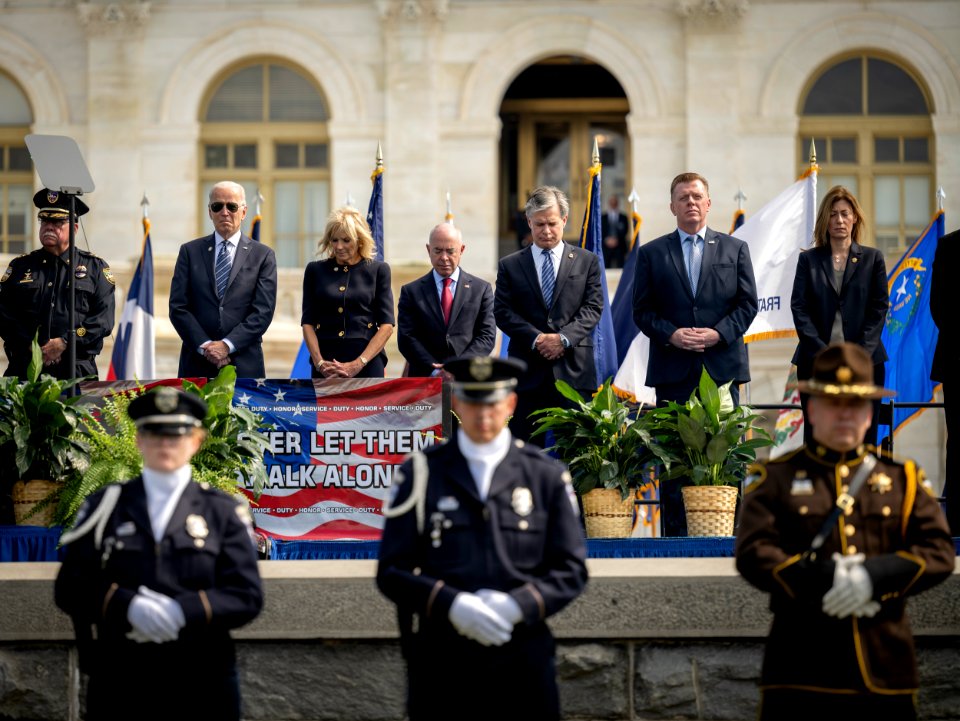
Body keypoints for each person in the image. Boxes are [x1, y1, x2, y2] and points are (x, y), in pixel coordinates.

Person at [735, 342, 954, 720]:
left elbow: (938, 552)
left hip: (883, 668)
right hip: (800, 671)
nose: (845, 415)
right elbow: (754, 551)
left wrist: (872, 577)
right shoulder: (775, 478)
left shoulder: (902, 479)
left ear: (869, 413)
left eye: (855, 404)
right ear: (812, 409)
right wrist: (827, 578)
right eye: (833, 404)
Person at [376, 355, 588, 721]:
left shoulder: (545, 476)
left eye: (492, 402)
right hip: (443, 661)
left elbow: (570, 569)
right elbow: (392, 570)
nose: (483, 413)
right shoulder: (421, 474)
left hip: (521, 658)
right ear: (456, 402)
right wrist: (452, 605)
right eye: (472, 401)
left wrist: (517, 605)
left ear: (511, 403)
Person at [54, 387, 264, 721]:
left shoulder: (222, 511)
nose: (165, 443)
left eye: (176, 435)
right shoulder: (106, 506)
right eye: (154, 433)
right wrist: (128, 606)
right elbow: (70, 587)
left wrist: (185, 611)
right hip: (122, 680)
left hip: (203, 680)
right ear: (138, 440)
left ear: (196, 441)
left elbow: (247, 595)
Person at [632, 172, 758, 405]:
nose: (691, 202)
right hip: (672, 373)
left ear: (708, 204)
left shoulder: (735, 249)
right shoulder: (651, 254)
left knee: (723, 442)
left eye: (697, 196)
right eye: (683, 198)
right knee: (672, 442)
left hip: (722, 372)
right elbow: (642, 311)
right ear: (672, 207)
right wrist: (672, 334)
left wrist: (718, 334)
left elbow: (748, 304)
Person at [494, 185, 603, 442]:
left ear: (564, 220)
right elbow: (503, 311)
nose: (546, 231)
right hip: (527, 374)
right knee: (524, 451)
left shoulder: (587, 261)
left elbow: (593, 306)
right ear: (528, 222)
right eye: (539, 224)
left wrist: (562, 338)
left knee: (580, 455)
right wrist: (538, 339)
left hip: (573, 372)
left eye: (552, 223)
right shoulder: (510, 265)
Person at [791, 185, 889, 447]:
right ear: (825, 219)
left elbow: (879, 309)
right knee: (817, 438)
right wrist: (823, 353)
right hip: (815, 362)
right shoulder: (808, 261)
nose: (839, 220)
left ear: (855, 217)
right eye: (833, 214)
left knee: (862, 438)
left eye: (845, 214)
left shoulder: (873, 259)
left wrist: (858, 356)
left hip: (865, 364)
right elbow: (799, 309)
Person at [0, 188, 115, 379]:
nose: (49, 227)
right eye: (44, 220)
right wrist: (33, 345)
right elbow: (4, 315)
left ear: (75, 229)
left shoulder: (95, 268)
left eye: (58, 222)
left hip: (76, 373)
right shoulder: (20, 267)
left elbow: (103, 321)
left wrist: (65, 342)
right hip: (25, 370)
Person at [169, 181, 277, 378]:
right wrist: (206, 347)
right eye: (217, 206)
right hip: (197, 363)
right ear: (210, 212)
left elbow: (263, 312)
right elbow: (178, 307)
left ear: (243, 212)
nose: (224, 212)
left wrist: (227, 346)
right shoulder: (189, 252)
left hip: (244, 364)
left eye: (232, 206)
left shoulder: (263, 255)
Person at [301, 206, 394, 378]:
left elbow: (387, 326)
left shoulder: (379, 270)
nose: (339, 246)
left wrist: (358, 364)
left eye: (346, 240)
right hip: (326, 364)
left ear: (359, 240)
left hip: (367, 362)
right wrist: (319, 362)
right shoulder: (315, 270)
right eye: (334, 240)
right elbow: (307, 323)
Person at [397, 223, 495, 378]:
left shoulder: (481, 289)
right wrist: (435, 370)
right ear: (429, 250)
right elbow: (407, 337)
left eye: (450, 251)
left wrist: (458, 367)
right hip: (425, 378)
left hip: (467, 378)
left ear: (462, 250)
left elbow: (486, 336)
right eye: (438, 251)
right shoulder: (411, 292)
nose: (444, 257)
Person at [930, 226, 957, 533]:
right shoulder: (948, 246)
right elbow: (938, 305)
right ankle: (958, 523)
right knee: (958, 443)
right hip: (958, 363)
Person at [601, 194, 629, 269]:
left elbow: (626, 230)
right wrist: (607, 240)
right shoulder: (603, 217)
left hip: (619, 246)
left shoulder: (623, 217)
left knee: (621, 267)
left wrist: (616, 240)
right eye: (611, 202)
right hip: (606, 246)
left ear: (617, 203)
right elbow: (600, 231)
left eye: (615, 202)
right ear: (609, 203)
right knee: (606, 267)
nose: (613, 204)